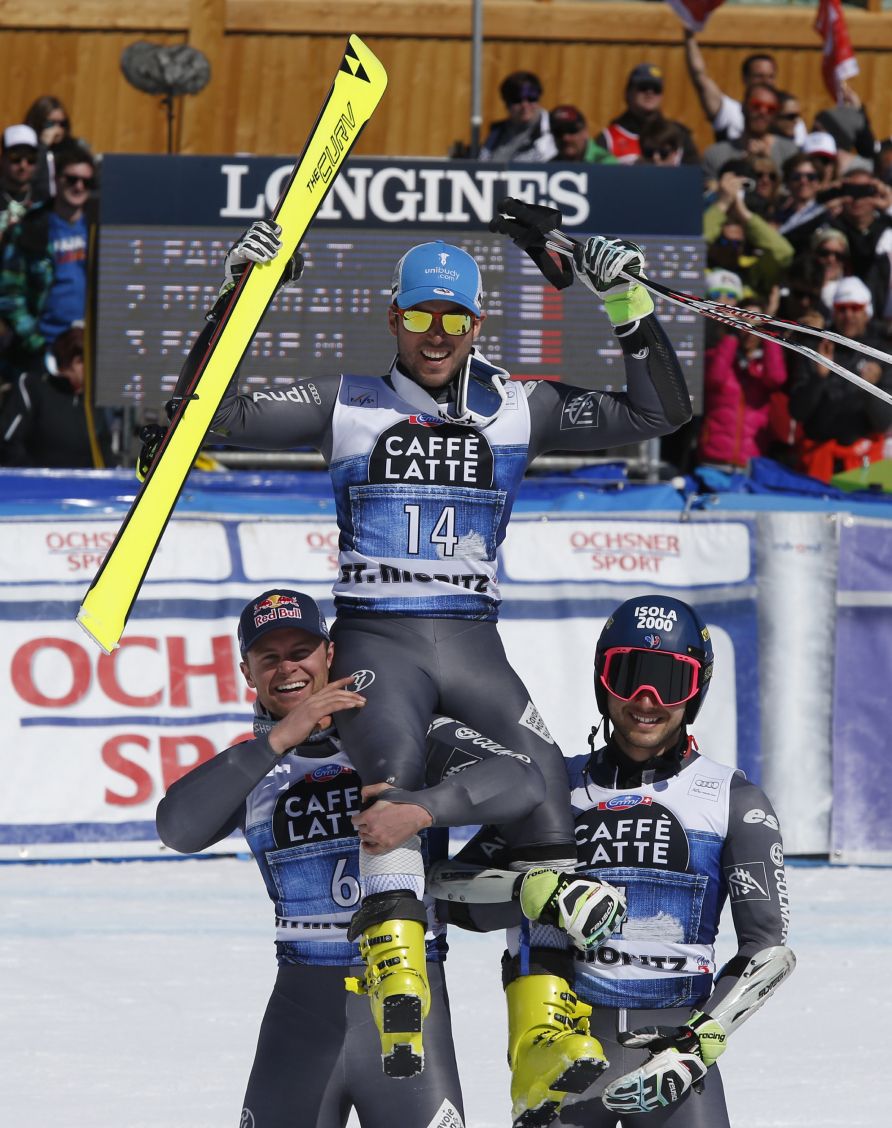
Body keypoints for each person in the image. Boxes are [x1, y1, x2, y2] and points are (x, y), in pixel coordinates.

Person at [151, 204, 692, 1094]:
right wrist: (238, 298)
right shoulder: (350, 405)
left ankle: (542, 1030)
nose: (434, 335)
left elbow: (660, 410)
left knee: (548, 789)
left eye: (451, 319)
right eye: (416, 316)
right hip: (379, 637)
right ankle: (396, 955)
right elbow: (207, 416)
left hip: (474, 640)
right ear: (392, 318)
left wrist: (624, 299)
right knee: (389, 766)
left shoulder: (523, 407)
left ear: (477, 324)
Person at [156, 587, 622, 1127]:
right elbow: (177, 828)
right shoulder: (257, 767)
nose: (289, 668)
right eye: (270, 657)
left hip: (410, 999)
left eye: (301, 650)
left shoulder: (400, 730)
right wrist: (281, 737)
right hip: (303, 1009)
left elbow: (524, 780)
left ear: (329, 654)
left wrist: (422, 810)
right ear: (247, 671)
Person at [413, 594, 796, 1127]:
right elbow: (449, 892)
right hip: (563, 1049)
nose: (646, 700)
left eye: (669, 681)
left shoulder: (731, 797)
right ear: (602, 680)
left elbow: (767, 950)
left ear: (696, 690)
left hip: (671, 1059)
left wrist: (695, 1049)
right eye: (629, 675)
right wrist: (532, 893)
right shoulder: (550, 787)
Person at [0, 140, 96, 378]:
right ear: (57, 179)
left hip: (91, 348)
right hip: (44, 350)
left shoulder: (100, 227)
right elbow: (9, 295)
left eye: (86, 181)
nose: (79, 186)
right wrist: (36, 342)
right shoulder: (33, 227)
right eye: (71, 179)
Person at [787, 275, 892, 481]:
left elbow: (884, 421)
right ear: (834, 311)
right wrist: (819, 377)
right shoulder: (817, 346)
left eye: (855, 308)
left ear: (866, 311)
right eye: (842, 309)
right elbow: (797, 412)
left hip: (862, 465)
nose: (848, 315)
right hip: (817, 462)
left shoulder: (881, 353)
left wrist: (869, 388)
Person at [0, 322, 112, 467]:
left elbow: (105, 453)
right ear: (76, 362)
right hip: (34, 485)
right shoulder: (33, 386)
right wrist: (39, 479)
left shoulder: (91, 401)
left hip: (84, 487)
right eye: (92, 363)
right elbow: (8, 441)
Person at [697, 295, 788, 471]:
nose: (749, 331)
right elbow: (715, 378)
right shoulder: (719, 355)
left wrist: (767, 331)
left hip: (752, 461)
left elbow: (777, 378)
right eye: (744, 324)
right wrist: (732, 333)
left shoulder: (765, 363)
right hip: (714, 458)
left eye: (755, 325)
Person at [595, 63, 698, 167]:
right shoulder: (608, 138)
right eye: (643, 87)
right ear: (628, 92)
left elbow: (694, 176)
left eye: (656, 89)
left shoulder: (679, 135)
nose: (650, 92)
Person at [701, 84, 798, 188]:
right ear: (743, 107)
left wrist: (768, 163)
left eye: (770, 109)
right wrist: (743, 164)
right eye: (756, 106)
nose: (763, 112)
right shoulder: (716, 154)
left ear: (776, 114)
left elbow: (793, 195)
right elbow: (708, 197)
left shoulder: (790, 153)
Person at [479, 71, 557, 162]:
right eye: (517, 100)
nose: (525, 105)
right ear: (507, 104)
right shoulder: (497, 134)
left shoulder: (555, 127)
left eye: (531, 98)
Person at [23, 94, 76, 202]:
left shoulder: (70, 149)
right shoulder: (26, 148)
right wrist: (43, 146)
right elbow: (28, 177)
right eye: (50, 124)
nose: (57, 129)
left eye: (62, 124)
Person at [549, 105, 617, 165]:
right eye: (558, 131)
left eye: (571, 130)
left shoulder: (605, 163)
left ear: (585, 131)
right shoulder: (548, 163)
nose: (565, 138)